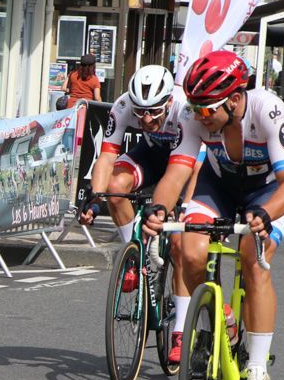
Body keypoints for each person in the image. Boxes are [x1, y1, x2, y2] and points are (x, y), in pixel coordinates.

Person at [143, 50, 284, 380]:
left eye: (207, 110)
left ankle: (257, 366)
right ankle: (217, 323)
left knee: (253, 258)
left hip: (267, 192)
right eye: (195, 108)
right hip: (218, 188)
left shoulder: (268, 109)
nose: (200, 117)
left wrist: (265, 215)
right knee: (189, 250)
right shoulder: (195, 117)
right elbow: (177, 173)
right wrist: (159, 209)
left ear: (233, 99)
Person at [78, 65, 198, 362]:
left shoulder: (186, 109)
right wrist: (95, 199)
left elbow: (195, 167)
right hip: (152, 155)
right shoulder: (122, 106)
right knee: (116, 187)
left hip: (187, 163)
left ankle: (181, 331)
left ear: (169, 101)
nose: (145, 119)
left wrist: (186, 208)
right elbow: (107, 156)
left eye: (154, 112)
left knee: (180, 244)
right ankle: (133, 253)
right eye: (140, 111)